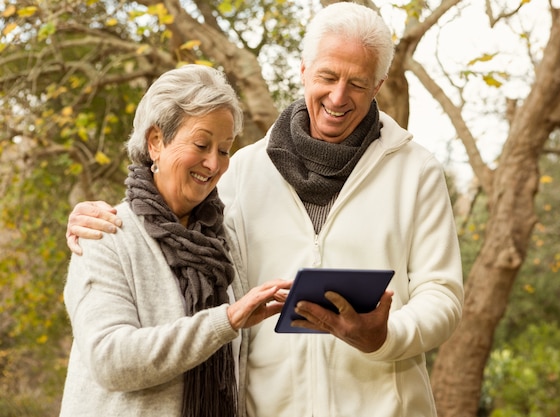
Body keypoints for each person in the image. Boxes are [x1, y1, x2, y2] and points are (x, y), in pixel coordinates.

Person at [66, 3, 464, 417]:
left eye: (358, 84)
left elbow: (443, 295)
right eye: (327, 77)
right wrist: (96, 218)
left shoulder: (415, 171)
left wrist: (384, 338)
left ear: (380, 84)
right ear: (303, 70)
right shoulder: (243, 170)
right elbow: (164, 211)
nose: (338, 96)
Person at [59, 64, 290, 417]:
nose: (213, 163)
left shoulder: (222, 243)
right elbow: (110, 358)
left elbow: (238, 369)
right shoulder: (105, 235)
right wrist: (223, 322)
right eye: (201, 144)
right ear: (156, 142)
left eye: (225, 149)